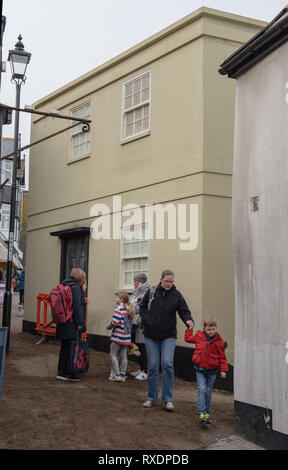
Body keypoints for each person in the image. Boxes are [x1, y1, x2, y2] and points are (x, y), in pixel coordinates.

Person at [140, 269, 194, 411]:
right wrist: (147, 320)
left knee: (167, 364)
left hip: (168, 335)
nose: (169, 284)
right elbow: (142, 307)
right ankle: (151, 398)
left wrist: (188, 320)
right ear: (161, 279)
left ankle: (168, 399)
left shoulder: (177, 295)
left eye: (171, 281)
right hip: (150, 335)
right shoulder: (151, 292)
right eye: (166, 281)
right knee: (152, 366)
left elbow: (184, 311)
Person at [184, 316, 228, 424]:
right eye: (209, 329)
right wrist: (190, 329)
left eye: (213, 329)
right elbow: (188, 339)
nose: (211, 331)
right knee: (202, 389)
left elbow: (222, 357)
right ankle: (202, 413)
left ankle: (207, 413)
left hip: (212, 371)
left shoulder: (219, 341)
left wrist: (224, 370)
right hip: (200, 369)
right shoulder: (199, 336)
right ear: (204, 328)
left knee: (208, 392)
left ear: (216, 328)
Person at [56, 268, 87, 382]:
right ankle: (69, 373)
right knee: (71, 348)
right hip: (71, 323)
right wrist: (80, 323)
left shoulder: (65, 285)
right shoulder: (76, 288)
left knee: (64, 348)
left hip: (63, 322)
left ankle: (61, 371)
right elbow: (77, 308)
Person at [106, 292, 134, 382]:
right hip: (126, 337)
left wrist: (108, 326)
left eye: (117, 297)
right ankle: (123, 374)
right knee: (123, 355)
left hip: (118, 336)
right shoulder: (129, 309)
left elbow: (115, 322)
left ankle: (117, 374)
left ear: (121, 300)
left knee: (113, 354)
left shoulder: (119, 309)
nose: (116, 299)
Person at [129, 273, 151, 381]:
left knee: (142, 346)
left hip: (142, 323)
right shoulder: (136, 291)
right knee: (138, 345)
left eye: (136, 282)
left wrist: (132, 306)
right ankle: (141, 369)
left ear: (141, 282)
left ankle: (145, 371)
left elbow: (139, 308)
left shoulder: (147, 292)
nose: (134, 284)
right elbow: (131, 304)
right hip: (135, 323)